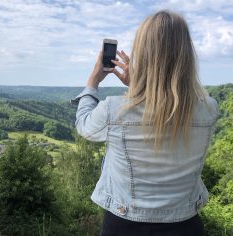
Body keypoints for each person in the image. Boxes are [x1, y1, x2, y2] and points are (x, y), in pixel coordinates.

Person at [71, 10, 218, 236]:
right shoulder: (209, 108)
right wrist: (140, 87)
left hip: (123, 225)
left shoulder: (113, 110)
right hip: (186, 225)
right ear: (187, 54)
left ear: (143, 54)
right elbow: (162, 113)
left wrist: (93, 80)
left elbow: (84, 126)